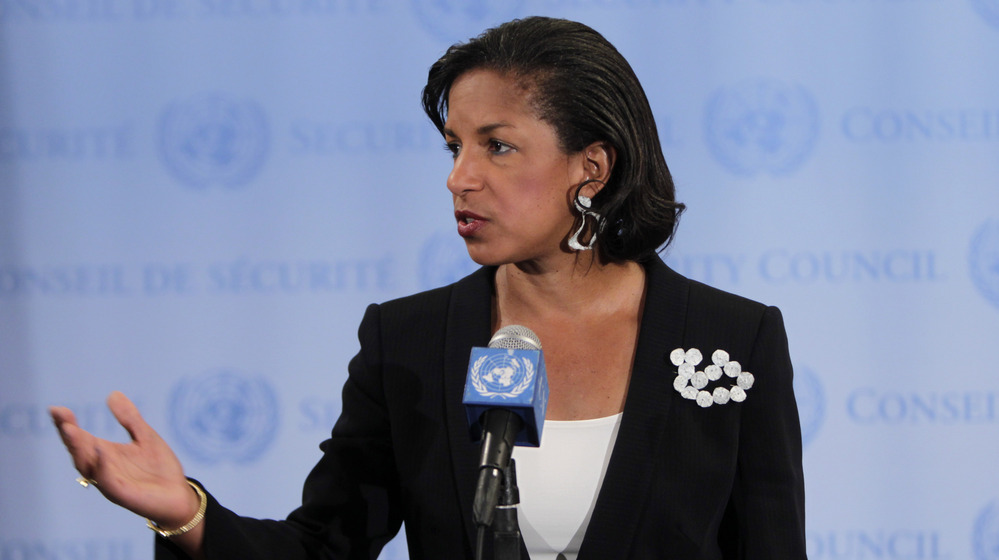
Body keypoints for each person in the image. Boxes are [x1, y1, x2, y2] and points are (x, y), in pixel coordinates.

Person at [50, 16, 806, 560]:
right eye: (453, 147)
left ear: (591, 167)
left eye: (498, 147)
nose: (459, 178)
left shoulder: (732, 340)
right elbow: (326, 544)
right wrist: (189, 515)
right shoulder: (406, 341)